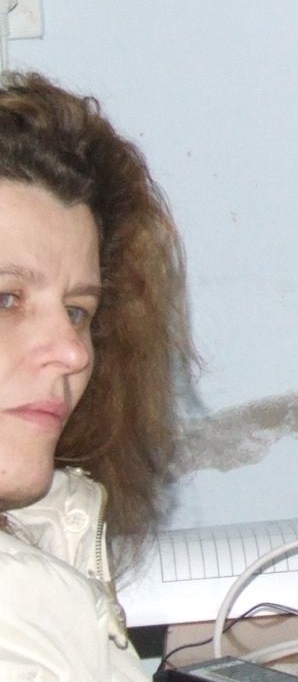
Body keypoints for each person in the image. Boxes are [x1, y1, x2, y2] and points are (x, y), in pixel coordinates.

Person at [1, 73, 191, 681]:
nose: (71, 351)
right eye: (6, 299)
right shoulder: (18, 610)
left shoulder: (46, 533)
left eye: (77, 310)